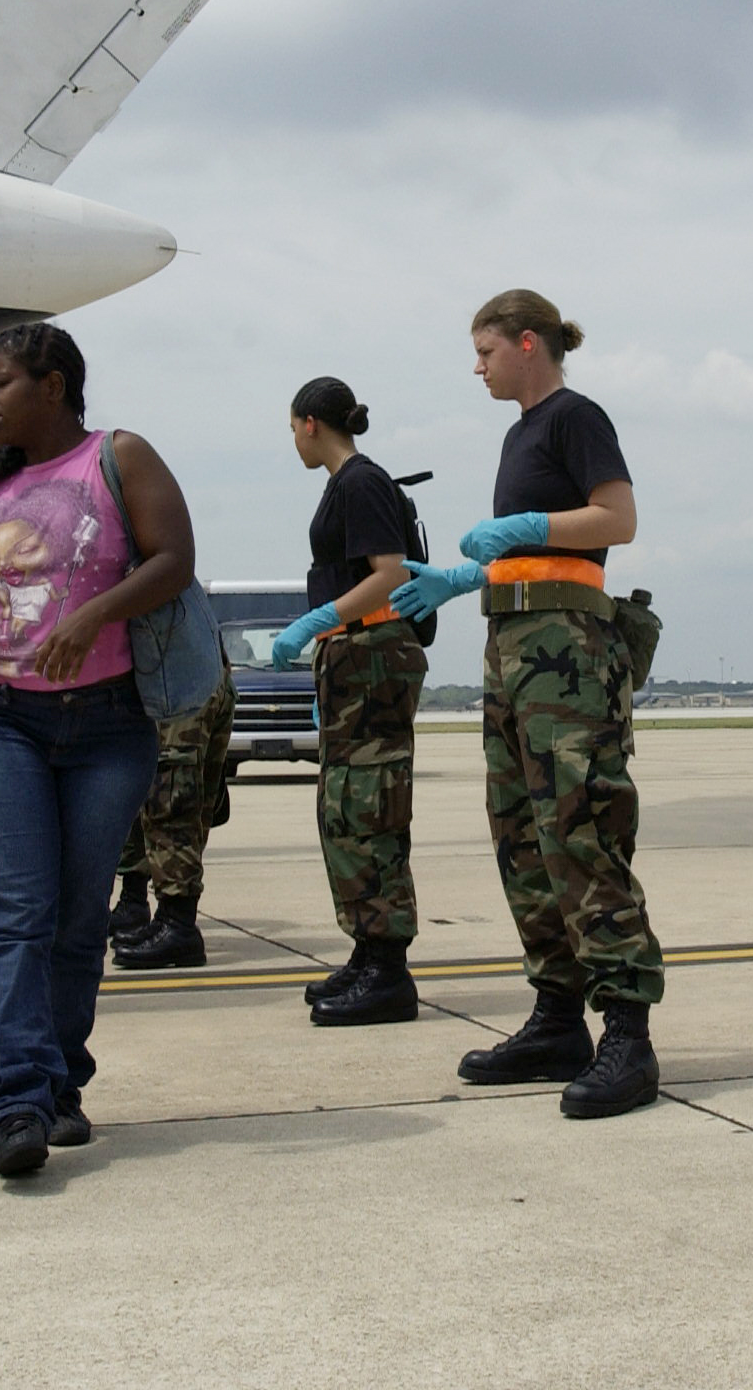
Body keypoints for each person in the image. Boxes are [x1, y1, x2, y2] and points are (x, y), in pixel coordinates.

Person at [0, 324, 191, 1178]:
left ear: (54, 384)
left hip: (108, 725)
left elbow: (174, 561)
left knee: (77, 920)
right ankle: (13, 1100)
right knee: (12, 914)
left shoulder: (119, 455)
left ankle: (60, 1084)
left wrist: (92, 614)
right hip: (1, 719)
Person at [391, 290, 662, 1119]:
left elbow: (617, 520)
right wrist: (467, 574)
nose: (477, 368)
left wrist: (526, 526)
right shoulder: (520, 435)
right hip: (512, 646)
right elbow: (530, 554)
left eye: (486, 352)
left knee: (581, 825)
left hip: (569, 653)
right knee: (520, 832)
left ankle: (626, 1031)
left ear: (528, 343)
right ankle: (556, 1015)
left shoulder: (575, 417)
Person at [264, 376, 427, 1025]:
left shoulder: (360, 481)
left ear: (308, 423)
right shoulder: (346, 483)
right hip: (353, 657)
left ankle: (388, 965)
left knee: (370, 805)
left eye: (292, 430)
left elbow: (389, 573)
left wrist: (317, 621)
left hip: (371, 652)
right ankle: (368, 946)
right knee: (345, 807)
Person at [107, 674, 235, 971]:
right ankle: (164, 915)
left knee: (171, 805)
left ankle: (177, 924)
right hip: (199, 675)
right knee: (180, 806)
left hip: (178, 685)